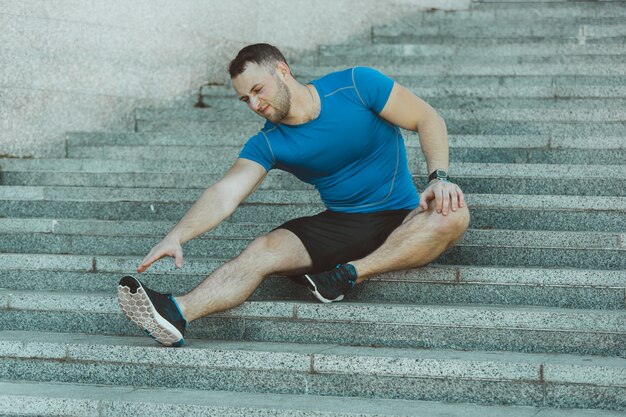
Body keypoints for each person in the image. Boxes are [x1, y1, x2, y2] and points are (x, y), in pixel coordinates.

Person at [117, 43, 470, 347]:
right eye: (245, 99)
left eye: (258, 89)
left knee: (453, 213)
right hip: (342, 223)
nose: (255, 104)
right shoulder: (268, 142)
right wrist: (177, 235)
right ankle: (177, 312)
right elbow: (225, 193)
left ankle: (347, 275)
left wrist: (438, 178)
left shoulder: (356, 85)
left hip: (401, 215)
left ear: (282, 71)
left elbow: (427, 118)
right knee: (262, 250)